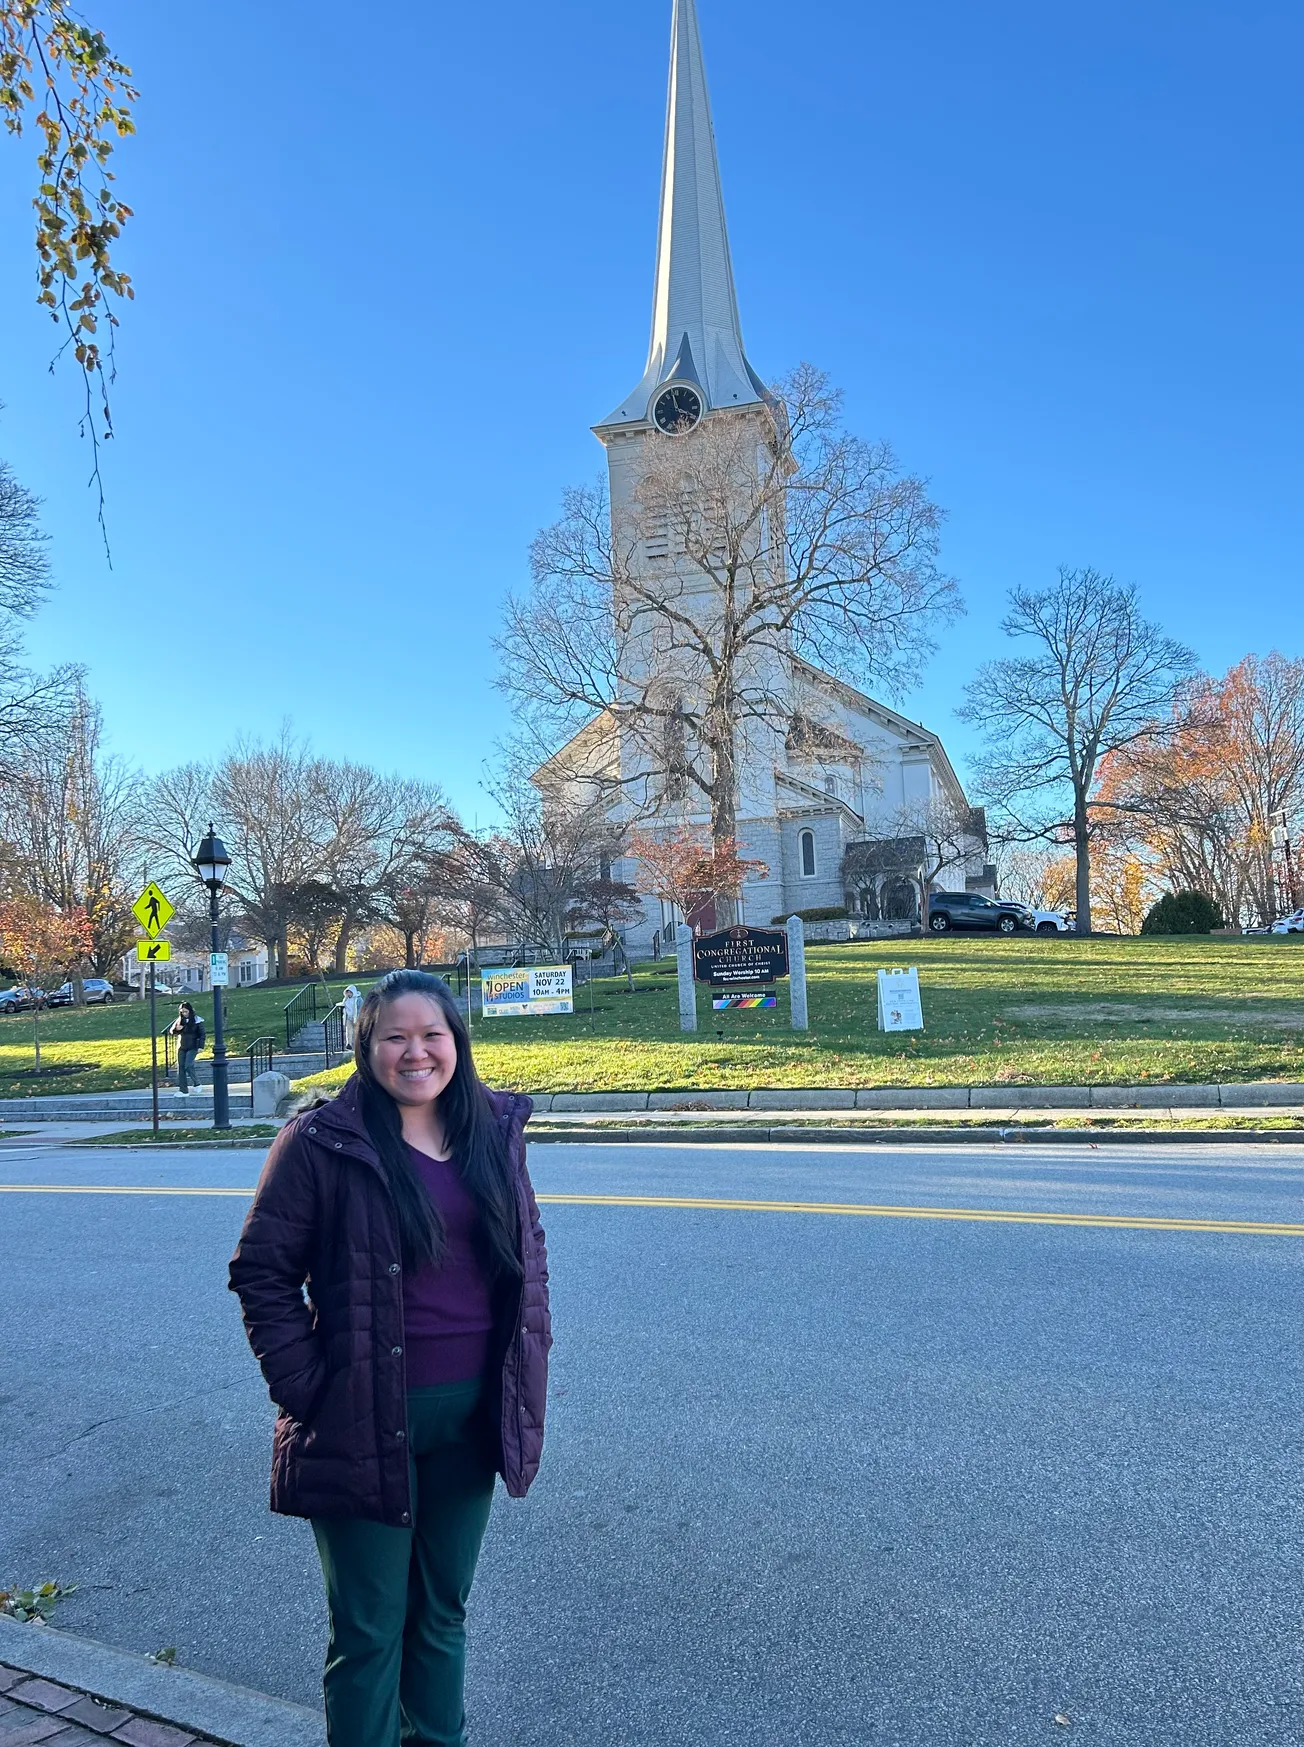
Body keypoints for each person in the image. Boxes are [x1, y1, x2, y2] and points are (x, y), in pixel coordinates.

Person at [228, 969, 551, 1747]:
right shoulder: (319, 1142)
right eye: (394, 1037)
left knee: (442, 1614)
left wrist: (525, 1371)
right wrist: (310, 1389)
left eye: (431, 1034)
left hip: (471, 1416)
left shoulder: (493, 1131)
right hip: (361, 1415)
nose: (416, 1052)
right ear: (365, 1046)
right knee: (370, 1627)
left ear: (456, 1041)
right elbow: (262, 1271)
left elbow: (528, 1259)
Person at [168, 1000, 205, 1094]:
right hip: (181, 1046)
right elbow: (172, 1031)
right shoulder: (179, 1020)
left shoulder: (197, 1020)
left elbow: (202, 1034)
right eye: (182, 1012)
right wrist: (177, 1029)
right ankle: (183, 1090)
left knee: (188, 1065)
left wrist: (200, 1046)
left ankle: (197, 1083)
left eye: (186, 1011)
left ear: (190, 1011)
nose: (184, 1014)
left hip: (193, 1046)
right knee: (180, 1068)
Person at [341, 983, 362, 1051]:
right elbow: (343, 1006)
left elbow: (361, 1008)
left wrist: (357, 1016)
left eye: (350, 992)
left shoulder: (358, 999)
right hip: (348, 1017)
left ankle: (358, 1045)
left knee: (357, 1031)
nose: (349, 994)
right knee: (348, 1031)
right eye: (347, 992)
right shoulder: (345, 999)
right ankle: (349, 1044)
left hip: (356, 1017)